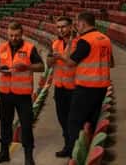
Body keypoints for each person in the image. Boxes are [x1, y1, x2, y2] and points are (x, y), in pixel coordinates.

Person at [0, 23, 45, 165]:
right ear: (7, 34)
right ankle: (4, 153)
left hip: (23, 95)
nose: (14, 38)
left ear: (22, 34)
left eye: (17, 35)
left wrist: (26, 66)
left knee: (26, 125)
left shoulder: (29, 48)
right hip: (5, 94)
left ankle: (28, 156)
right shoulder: (1, 47)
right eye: (11, 35)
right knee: (5, 124)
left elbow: (41, 67)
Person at [60, 12, 114, 157]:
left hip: (86, 88)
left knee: (74, 122)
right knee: (92, 121)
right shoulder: (105, 39)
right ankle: (87, 154)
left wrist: (61, 55)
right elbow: (111, 63)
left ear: (83, 23)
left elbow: (70, 63)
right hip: (102, 87)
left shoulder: (85, 41)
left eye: (77, 24)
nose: (76, 26)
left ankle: (73, 154)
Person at [47, 16, 78, 157]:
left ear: (71, 27)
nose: (61, 30)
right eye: (58, 27)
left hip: (74, 87)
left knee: (73, 120)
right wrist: (51, 58)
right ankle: (68, 146)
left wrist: (61, 57)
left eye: (63, 27)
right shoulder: (55, 44)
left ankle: (74, 148)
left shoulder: (79, 43)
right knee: (62, 119)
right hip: (59, 87)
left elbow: (75, 62)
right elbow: (49, 64)